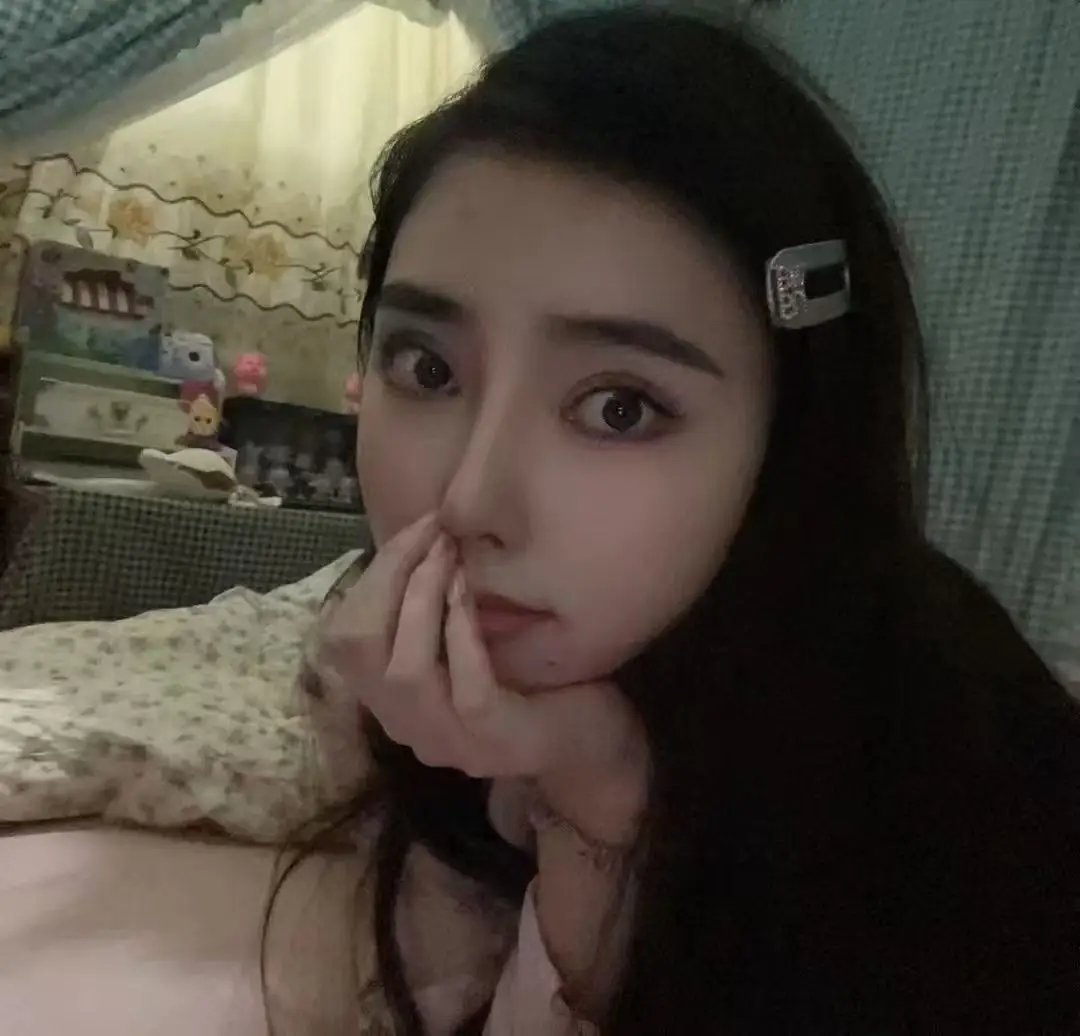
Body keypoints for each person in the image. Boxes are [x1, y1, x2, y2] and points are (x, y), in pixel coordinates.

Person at [279, 7, 1080, 1035]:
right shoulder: (392, 667)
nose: (469, 501)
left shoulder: (945, 789)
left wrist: (597, 782)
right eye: (428, 368)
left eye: (620, 407)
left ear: (786, 444)